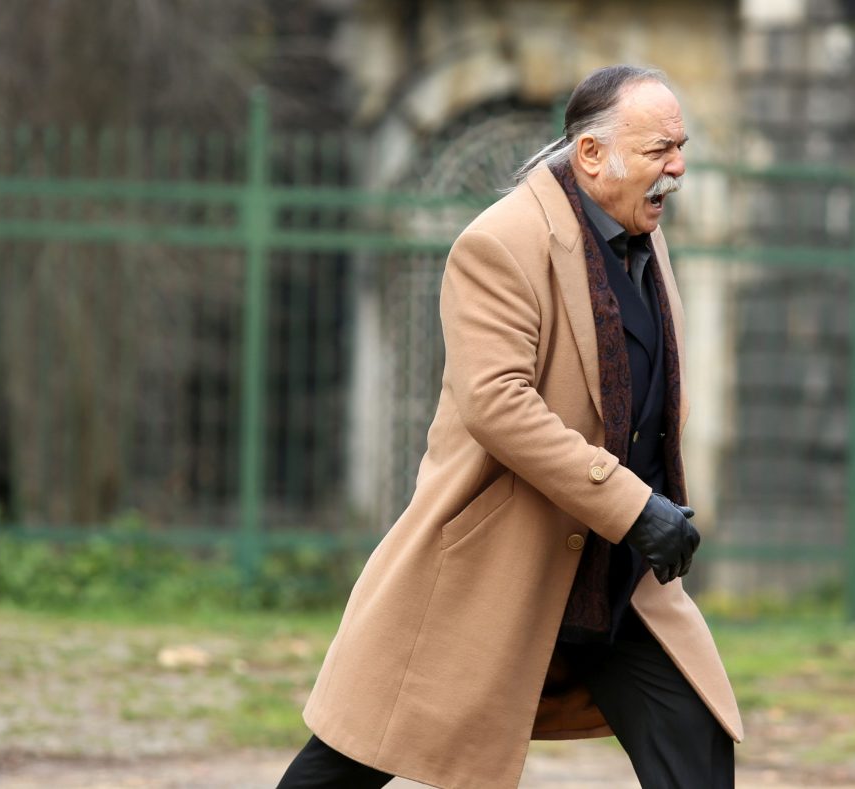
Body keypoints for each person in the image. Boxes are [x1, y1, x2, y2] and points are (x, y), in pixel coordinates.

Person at [277, 64, 742, 789]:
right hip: (495, 564)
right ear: (592, 154)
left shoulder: (643, 236)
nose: (677, 168)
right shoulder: (499, 243)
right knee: (353, 759)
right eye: (659, 150)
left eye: (680, 147)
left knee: (697, 744)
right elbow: (498, 403)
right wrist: (634, 506)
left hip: (616, 577)